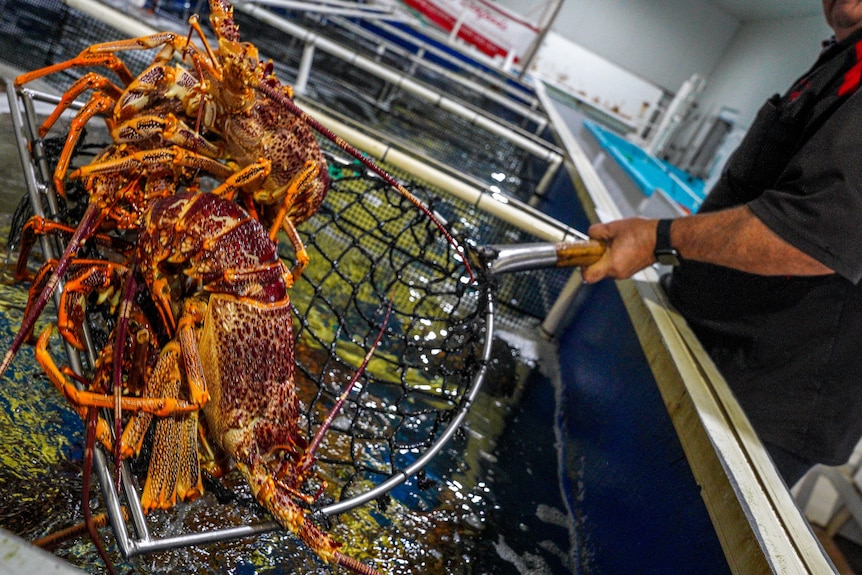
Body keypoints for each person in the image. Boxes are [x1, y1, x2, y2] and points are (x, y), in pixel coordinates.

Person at [582, 0, 862, 487]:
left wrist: (658, 237)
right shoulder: (839, 63)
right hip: (717, 355)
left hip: (763, 400)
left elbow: (813, 234)